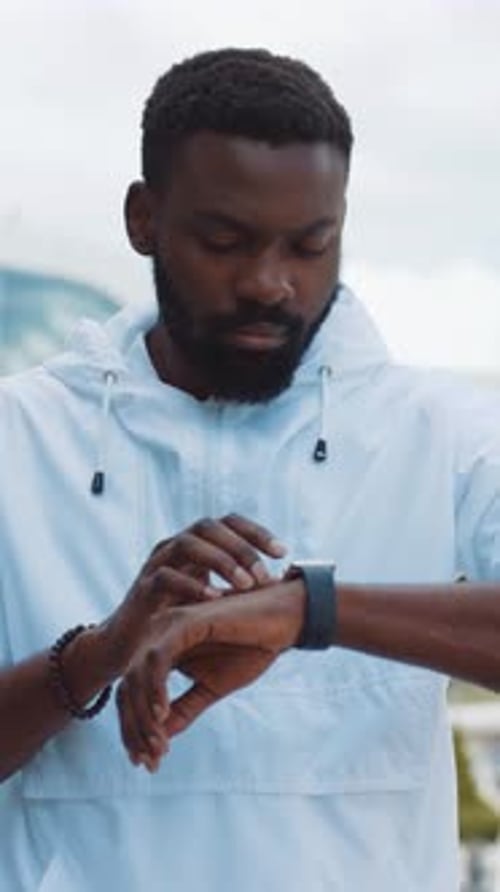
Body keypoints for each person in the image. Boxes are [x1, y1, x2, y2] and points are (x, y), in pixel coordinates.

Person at [1, 47, 500, 892]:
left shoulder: (445, 431)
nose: (272, 284)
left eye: (312, 246)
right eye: (225, 242)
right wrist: (99, 654)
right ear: (143, 220)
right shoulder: (18, 435)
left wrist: (313, 608)